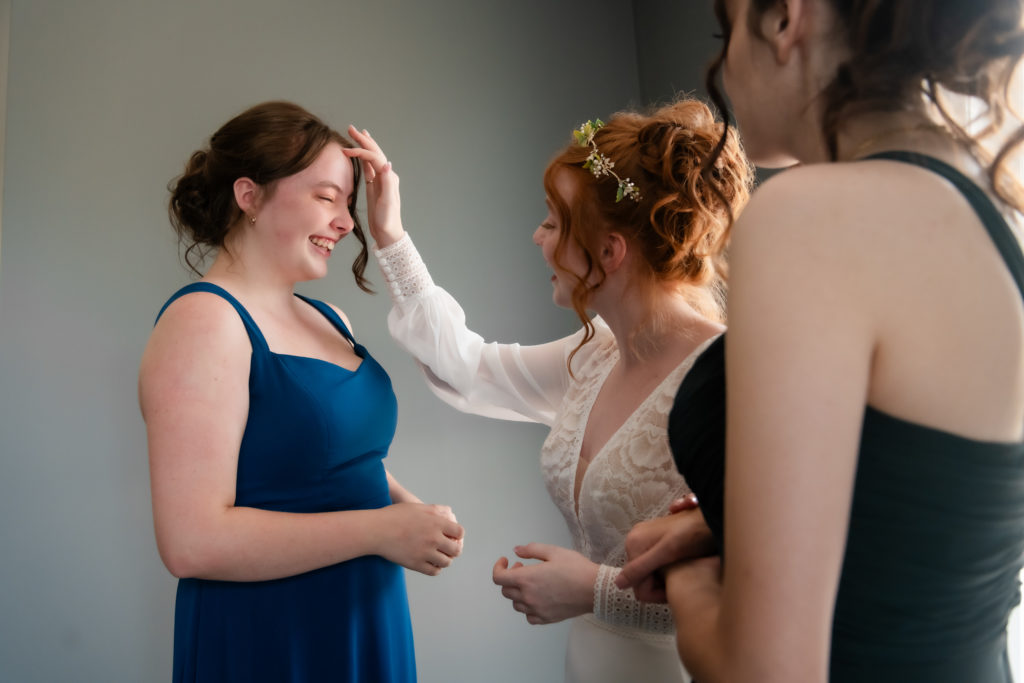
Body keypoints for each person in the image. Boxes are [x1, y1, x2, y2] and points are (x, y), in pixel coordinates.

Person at [616, 1, 1024, 681]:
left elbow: (764, 671)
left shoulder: (811, 216)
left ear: (785, 19)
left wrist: (691, 574)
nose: (719, 67)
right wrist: (717, 526)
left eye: (726, 30)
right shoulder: (997, 212)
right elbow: (929, 521)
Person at [342, 98, 752, 682]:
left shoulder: (727, 377)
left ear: (609, 252)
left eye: (554, 223)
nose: (537, 237)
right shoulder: (592, 355)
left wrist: (595, 591)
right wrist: (390, 236)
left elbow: (759, 585)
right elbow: (469, 367)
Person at [138, 101, 465, 683]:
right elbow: (192, 542)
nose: (345, 222)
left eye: (348, 202)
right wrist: (381, 530)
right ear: (250, 196)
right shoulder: (205, 323)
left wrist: (405, 507)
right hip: (271, 635)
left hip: (365, 618)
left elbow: (328, 459)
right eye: (325, 197)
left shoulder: (329, 318)